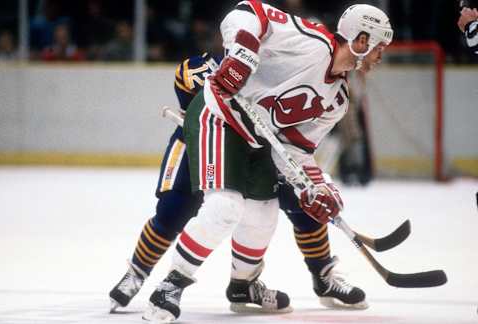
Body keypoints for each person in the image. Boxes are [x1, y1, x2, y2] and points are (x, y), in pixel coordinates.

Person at [142, 2, 392, 322]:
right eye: (378, 47)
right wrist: (242, 54)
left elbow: (296, 150)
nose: (380, 57)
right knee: (224, 207)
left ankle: (243, 287)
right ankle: (170, 286)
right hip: (220, 117)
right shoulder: (311, 42)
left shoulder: (338, 100)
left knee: (264, 215)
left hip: (256, 141)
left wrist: (318, 187)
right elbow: (248, 11)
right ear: (360, 41)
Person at [110, 52, 369, 316]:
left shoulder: (275, 69)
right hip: (203, 137)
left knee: (302, 203)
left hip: (259, 146)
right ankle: (137, 273)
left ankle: (315, 277)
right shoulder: (199, 69)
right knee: (174, 209)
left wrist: (316, 181)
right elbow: (193, 107)